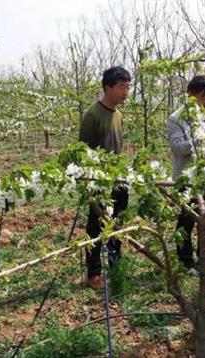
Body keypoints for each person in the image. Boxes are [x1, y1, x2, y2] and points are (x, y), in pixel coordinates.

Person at [78, 66, 132, 290]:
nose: (126, 91)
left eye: (128, 87)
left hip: (118, 179)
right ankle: (94, 273)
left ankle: (114, 263)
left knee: (117, 222)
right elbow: (83, 152)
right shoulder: (92, 115)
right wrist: (90, 183)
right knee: (96, 226)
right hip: (98, 181)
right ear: (107, 87)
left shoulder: (118, 115)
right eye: (121, 87)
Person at [168, 75, 205, 275]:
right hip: (187, 177)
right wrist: (197, 142)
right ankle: (185, 261)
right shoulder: (176, 118)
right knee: (187, 219)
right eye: (202, 96)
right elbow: (176, 148)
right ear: (190, 94)